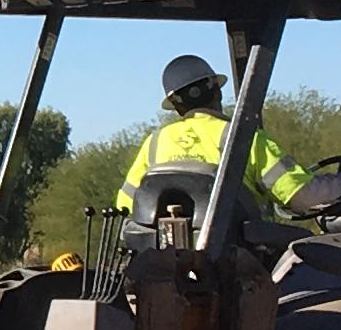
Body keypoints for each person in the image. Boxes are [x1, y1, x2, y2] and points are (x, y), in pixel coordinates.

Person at [114, 53, 305, 230]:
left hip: (169, 258)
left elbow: (126, 204)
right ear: (217, 92)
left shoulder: (154, 143)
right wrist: (335, 188)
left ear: (176, 105)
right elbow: (299, 194)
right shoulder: (244, 137)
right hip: (242, 258)